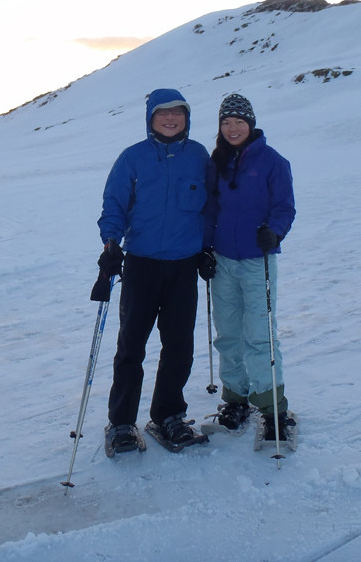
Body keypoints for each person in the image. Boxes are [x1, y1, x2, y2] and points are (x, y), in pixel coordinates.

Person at [95, 88, 210, 454]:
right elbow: (114, 203)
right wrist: (111, 243)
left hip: (183, 266)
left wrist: (208, 246)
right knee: (131, 346)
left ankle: (168, 416)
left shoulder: (198, 156)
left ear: (187, 118)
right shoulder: (133, 158)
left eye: (178, 113)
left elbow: (210, 206)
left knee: (180, 346)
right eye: (163, 114)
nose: (171, 119)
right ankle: (122, 423)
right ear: (151, 119)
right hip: (142, 264)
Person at [202, 93, 296, 441]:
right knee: (227, 334)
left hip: (259, 261)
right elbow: (211, 210)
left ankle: (273, 408)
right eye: (226, 123)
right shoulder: (218, 162)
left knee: (259, 335)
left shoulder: (273, 162)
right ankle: (236, 399)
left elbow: (285, 207)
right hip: (224, 260)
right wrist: (205, 249)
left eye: (239, 122)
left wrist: (275, 231)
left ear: (251, 124)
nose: (232, 128)